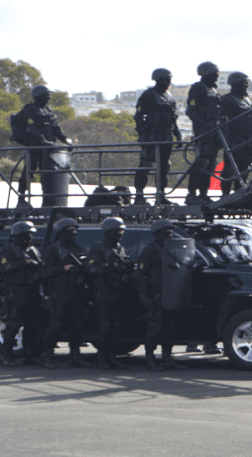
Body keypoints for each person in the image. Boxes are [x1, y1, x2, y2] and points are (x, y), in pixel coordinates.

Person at [135, 219, 187, 371]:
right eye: (166, 231)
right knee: (154, 327)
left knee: (170, 327)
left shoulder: (173, 249)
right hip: (156, 293)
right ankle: (150, 359)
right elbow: (140, 274)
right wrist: (144, 295)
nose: (169, 234)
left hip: (171, 292)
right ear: (157, 233)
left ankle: (167, 358)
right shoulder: (150, 250)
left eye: (171, 231)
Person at [41, 218, 90, 369]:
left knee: (78, 324)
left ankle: (75, 356)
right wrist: (64, 268)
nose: (73, 234)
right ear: (61, 233)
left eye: (75, 231)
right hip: (60, 292)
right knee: (56, 324)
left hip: (78, 291)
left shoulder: (79, 249)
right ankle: (49, 356)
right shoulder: (53, 249)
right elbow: (44, 272)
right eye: (69, 232)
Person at [86, 217, 134, 369]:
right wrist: (111, 267)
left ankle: (112, 356)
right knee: (105, 325)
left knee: (116, 326)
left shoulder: (119, 248)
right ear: (108, 232)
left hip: (119, 290)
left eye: (122, 231)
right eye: (117, 231)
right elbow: (91, 269)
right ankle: (101, 357)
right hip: (104, 292)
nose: (120, 234)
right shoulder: (98, 249)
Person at [14, 85, 71, 207]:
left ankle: (47, 198)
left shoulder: (48, 110)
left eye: (49, 95)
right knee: (28, 171)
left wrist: (66, 140)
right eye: (46, 96)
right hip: (35, 147)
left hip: (49, 150)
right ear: (38, 96)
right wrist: (42, 141)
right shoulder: (30, 109)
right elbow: (31, 127)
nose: (48, 98)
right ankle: (22, 196)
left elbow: (56, 128)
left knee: (47, 174)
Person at [0, 221, 44, 367]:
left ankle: (28, 354)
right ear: (19, 235)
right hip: (16, 291)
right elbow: (5, 267)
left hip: (32, 290)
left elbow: (40, 265)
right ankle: (7, 355)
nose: (30, 237)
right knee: (14, 323)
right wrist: (24, 263)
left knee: (32, 324)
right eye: (27, 234)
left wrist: (36, 269)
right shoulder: (9, 250)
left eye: (31, 234)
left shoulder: (33, 250)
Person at [133, 68, 182, 206]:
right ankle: (139, 196)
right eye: (166, 80)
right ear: (159, 80)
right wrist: (143, 136)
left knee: (164, 166)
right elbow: (138, 116)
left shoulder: (170, 97)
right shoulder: (148, 95)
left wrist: (178, 135)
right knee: (146, 164)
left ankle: (160, 195)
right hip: (152, 137)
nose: (168, 83)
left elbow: (173, 119)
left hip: (166, 137)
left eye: (169, 80)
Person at [218, 72, 252, 196]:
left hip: (249, 140)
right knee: (230, 169)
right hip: (234, 140)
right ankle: (226, 194)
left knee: (244, 169)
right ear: (235, 84)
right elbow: (223, 122)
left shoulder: (248, 101)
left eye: (247, 83)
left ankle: (239, 193)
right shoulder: (227, 100)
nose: (246, 86)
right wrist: (228, 140)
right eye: (244, 83)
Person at [185, 61, 224, 206]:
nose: (216, 77)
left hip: (215, 132)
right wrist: (200, 129)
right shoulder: (198, 88)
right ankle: (192, 194)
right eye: (214, 74)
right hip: (204, 132)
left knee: (211, 163)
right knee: (201, 161)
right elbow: (191, 110)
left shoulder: (213, 90)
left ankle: (203, 193)